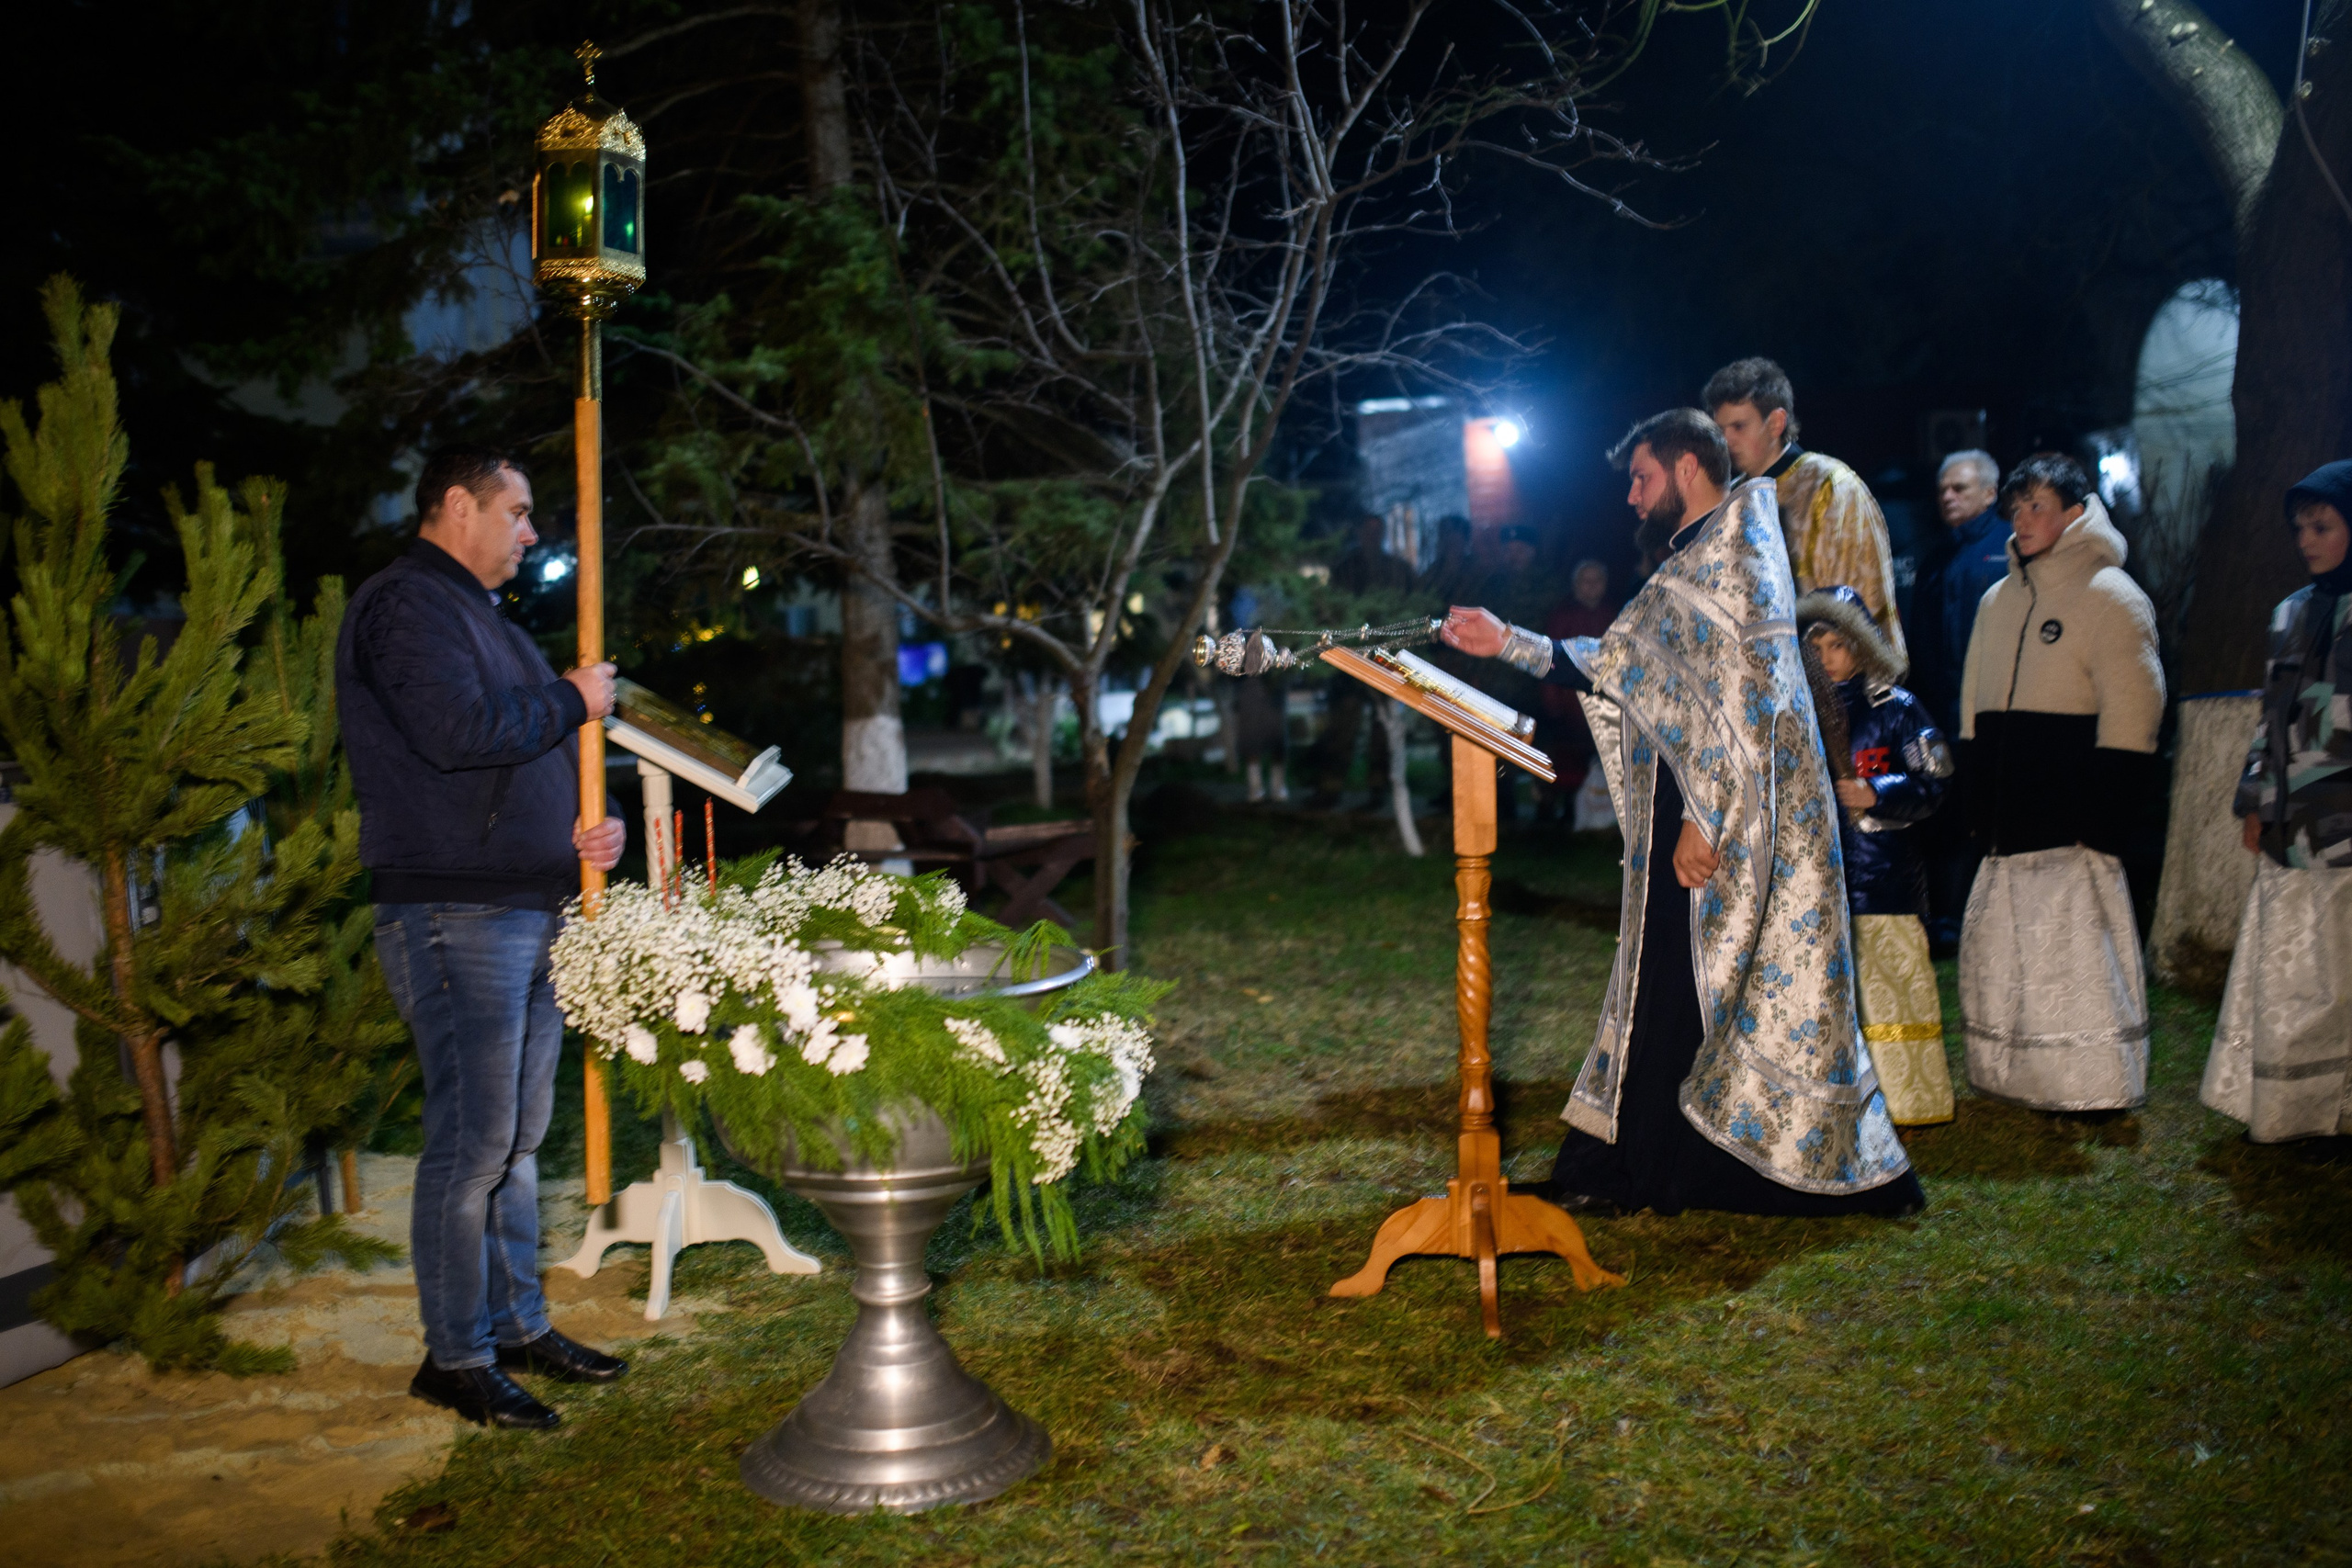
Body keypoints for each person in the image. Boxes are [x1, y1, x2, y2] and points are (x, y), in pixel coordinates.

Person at [1442, 409, 1921, 1217]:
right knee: (1662, 976)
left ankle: (1682, 1170)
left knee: (1696, 979)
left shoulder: (1739, 553)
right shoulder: (1694, 558)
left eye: (1642, 477)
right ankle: (1631, 1166)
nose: (1631, 496)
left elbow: (1751, 700)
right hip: (1692, 801)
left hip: (1725, 816)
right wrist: (1508, 642)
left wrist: (1705, 817)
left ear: (1689, 468)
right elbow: (1626, 664)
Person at [335, 446, 631, 1430]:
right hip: (454, 912)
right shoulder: (406, 605)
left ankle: (514, 1326)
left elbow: (519, 756)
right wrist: (573, 699)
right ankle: (455, 1356)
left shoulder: (483, 618)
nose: (532, 533)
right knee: (471, 1145)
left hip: (523, 903)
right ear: (458, 506)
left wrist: (584, 830)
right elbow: (457, 732)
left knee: (514, 1140)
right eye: (518, 512)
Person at [1956, 452, 2165, 1114]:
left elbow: (2135, 709)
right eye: (2016, 509)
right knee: (2009, 949)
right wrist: (1975, 791)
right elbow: (1972, 704)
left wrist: (2105, 813)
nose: (2022, 520)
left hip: (2072, 817)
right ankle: (2014, 1074)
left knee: (2072, 955)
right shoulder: (1997, 601)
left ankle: (2090, 1084)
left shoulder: (2112, 595)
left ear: (2075, 513)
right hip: (2009, 815)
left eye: (2037, 507)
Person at [2202, 459, 2352, 1145]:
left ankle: (2335, 1109)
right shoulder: (2290, 613)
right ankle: (2286, 1104)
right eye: (2300, 529)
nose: (2307, 541)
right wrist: (2256, 801)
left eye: (2323, 526)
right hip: (2293, 824)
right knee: (2290, 966)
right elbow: (2271, 718)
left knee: (2338, 973)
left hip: (2343, 825)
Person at [1797, 585, 1956, 1126]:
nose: (1826, 659)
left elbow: (1935, 779)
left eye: (1838, 645)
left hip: (1883, 878)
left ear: (1862, 646)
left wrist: (1877, 791)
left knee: (1894, 990)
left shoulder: (1896, 708)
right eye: (1815, 648)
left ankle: (1908, 1102)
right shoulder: (1797, 711)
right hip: (1816, 881)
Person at [1703, 356, 1906, 662]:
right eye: (1720, 428)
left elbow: (1861, 589)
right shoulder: (1728, 498)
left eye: (1739, 427)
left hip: (1825, 670)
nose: (1726, 440)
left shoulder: (1831, 485)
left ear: (1776, 423)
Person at [1909, 449, 2011, 953]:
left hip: (1991, 713)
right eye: (1943, 490)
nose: (1948, 497)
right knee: (1944, 818)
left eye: (1960, 488)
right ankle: (1946, 921)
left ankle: (1981, 920)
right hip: (1940, 715)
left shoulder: (2009, 550)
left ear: (1990, 493)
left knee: (1985, 816)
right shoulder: (1936, 558)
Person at [1536, 560, 1616, 802]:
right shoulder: (1562, 616)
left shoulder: (1614, 615)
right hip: (1570, 703)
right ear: (1575, 585)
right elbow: (1549, 659)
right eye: (1585, 581)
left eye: (1596, 580)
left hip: (1606, 701)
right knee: (1567, 760)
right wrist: (1552, 703)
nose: (1591, 586)